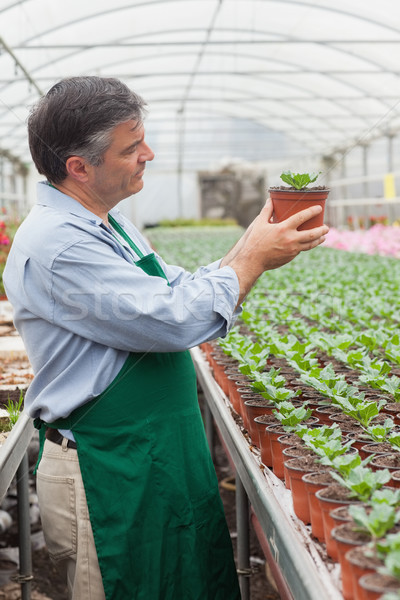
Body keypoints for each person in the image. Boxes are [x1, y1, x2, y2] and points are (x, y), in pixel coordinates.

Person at [4, 76, 328, 600]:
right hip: (110, 466)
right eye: (132, 148)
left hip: (150, 454)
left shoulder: (105, 222)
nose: (148, 154)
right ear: (79, 167)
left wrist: (255, 241)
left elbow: (176, 287)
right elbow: (174, 319)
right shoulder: (58, 244)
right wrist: (252, 260)